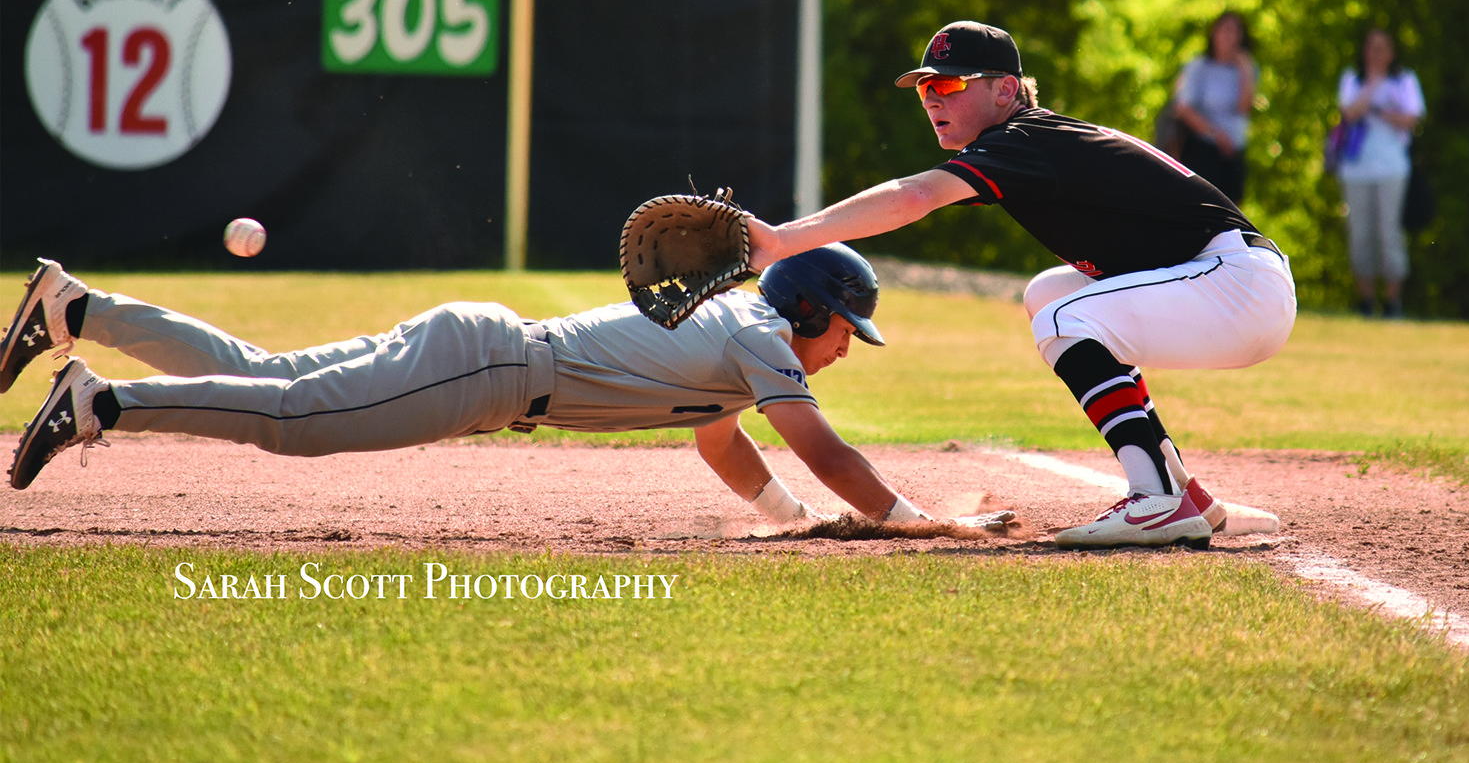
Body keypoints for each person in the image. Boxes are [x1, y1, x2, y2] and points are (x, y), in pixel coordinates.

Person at [746, 20, 1297, 549]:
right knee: (1050, 296)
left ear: (1006, 89)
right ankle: (1182, 493)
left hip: (1234, 283)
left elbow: (914, 197)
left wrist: (781, 240)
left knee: (1064, 319)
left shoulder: (1024, 138)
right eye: (925, 89)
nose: (933, 98)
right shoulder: (1028, 140)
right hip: (1225, 282)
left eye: (950, 84)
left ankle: (1154, 497)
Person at [4, 248, 987, 533]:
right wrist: (914, 520)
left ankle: (75, 305)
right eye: (847, 331)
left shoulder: (742, 339)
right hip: (491, 371)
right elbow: (825, 447)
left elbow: (723, 443)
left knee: (268, 378)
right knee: (291, 421)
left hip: (483, 349)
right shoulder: (763, 332)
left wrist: (791, 518)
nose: (848, 350)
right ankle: (101, 403)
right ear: (812, 311)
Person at [1334, 28, 1426, 318]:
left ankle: (1393, 301)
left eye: (1383, 47)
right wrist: (1372, 87)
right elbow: (1349, 113)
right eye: (1372, 47)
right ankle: (1366, 299)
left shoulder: (1405, 81)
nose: (1377, 53)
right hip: (1356, 169)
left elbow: (1411, 119)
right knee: (1361, 233)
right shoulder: (1352, 80)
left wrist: (1382, 111)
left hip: (1392, 168)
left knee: (1389, 232)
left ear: (1393, 51)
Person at [1169, 11, 1259, 206]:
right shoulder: (1199, 67)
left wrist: (1246, 71)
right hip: (1203, 150)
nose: (1230, 37)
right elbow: (1183, 108)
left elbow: (1245, 108)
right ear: (1214, 34)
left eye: (1236, 32)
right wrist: (1216, 135)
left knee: (1231, 212)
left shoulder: (1247, 69)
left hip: (1233, 152)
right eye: (1225, 30)